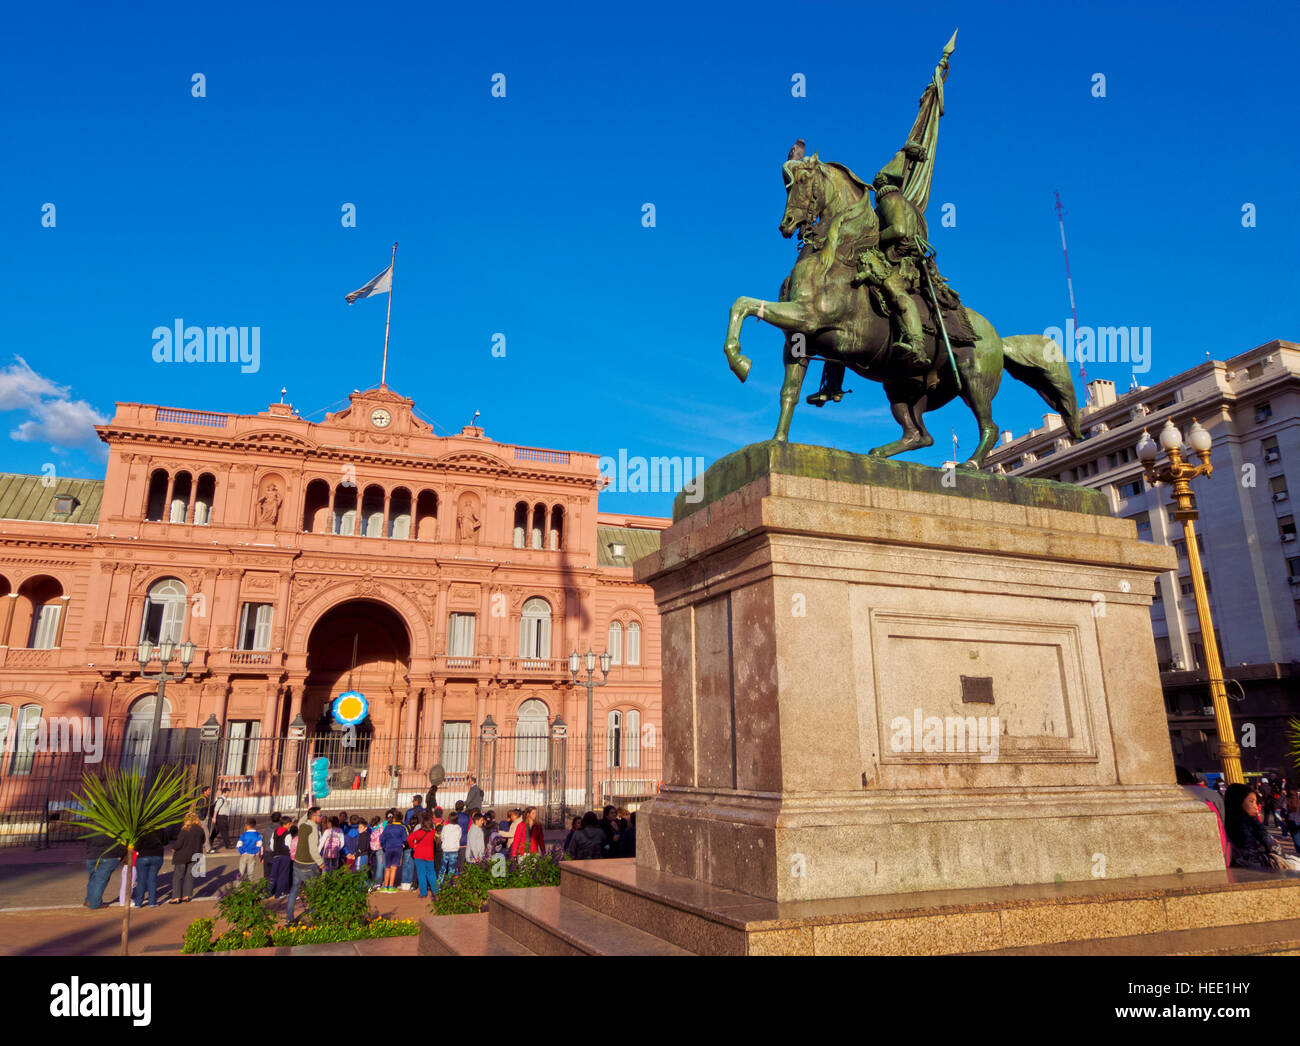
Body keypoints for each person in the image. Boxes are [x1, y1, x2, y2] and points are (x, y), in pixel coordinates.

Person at [1225, 783, 1294, 871]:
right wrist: (1275, 844)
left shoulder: (1228, 821)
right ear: (1238, 801)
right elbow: (1270, 845)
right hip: (1261, 867)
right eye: (1251, 801)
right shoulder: (1251, 821)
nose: (1256, 807)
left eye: (1256, 802)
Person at [286, 807, 325, 924]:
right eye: (319, 815)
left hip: (297, 863)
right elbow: (313, 850)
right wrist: (321, 863)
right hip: (308, 864)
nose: (321, 817)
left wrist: (308, 811)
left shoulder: (302, 825)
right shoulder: (313, 829)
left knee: (294, 890)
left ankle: (289, 918)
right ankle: (315, 916)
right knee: (313, 891)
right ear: (313, 817)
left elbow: (303, 819)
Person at [169, 810, 206, 904]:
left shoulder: (185, 830)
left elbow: (179, 844)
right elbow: (203, 841)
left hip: (182, 855)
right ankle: (187, 895)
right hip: (195, 854)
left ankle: (176, 897)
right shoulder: (200, 830)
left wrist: (174, 848)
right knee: (189, 875)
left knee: (178, 876)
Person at [83, 829, 124, 909]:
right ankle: (95, 903)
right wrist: (120, 855)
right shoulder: (113, 828)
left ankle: (89, 900)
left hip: (92, 856)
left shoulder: (92, 827)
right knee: (100, 881)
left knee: (93, 878)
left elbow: (87, 842)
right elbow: (121, 844)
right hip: (109, 856)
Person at [408, 813, 440, 897]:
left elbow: (409, 839)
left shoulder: (418, 832)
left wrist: (413, 846)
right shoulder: (432, 832)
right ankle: (435, 891)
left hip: (418, 855)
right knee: (431, 873)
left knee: (421, 874)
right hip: (429, 856)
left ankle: (423, 893)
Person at [132, 829, 167, 908]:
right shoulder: (160, 830)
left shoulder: (142, 831)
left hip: (143, 856)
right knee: (152, 880)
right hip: (157, 856)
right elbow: (166, 842)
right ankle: (152, 902)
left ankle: (138, 903)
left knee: (141, 881)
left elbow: (137, 847)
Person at [380, 814, 407, 893]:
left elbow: (382, 838)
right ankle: (391, 886)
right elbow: (405, 839)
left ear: (394, 819)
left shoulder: (388, 827)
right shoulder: (402, 828)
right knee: (394, 868)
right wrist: (403, 843)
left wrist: (384, 846)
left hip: (388, 848)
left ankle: (385, 886)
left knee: (387, 868)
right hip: (398, 848)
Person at [270, 815, 293, 897]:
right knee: (283, 874)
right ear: (287, 824)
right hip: (285, 856)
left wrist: (275, 851)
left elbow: (271, 845)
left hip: (276, 855)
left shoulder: (275, 832)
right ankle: (280, 893)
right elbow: (289, 846)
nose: (290, 826)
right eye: (290, 824)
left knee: (274, 874)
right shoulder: (287, 834)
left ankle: (271, 891)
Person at [438, 811, 461, 881]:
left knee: (443, 868)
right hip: (454, 850)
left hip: (445, 849)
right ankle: (449, 885)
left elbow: (442, 837)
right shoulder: (458, 828)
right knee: (452, 869)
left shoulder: (445, 827)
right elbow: (459, 838)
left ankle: (438, 885)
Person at [209, 787, 233, 851]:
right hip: (221, 817)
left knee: (216, 831)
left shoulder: (224, 800)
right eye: (228, 793)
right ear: (224, 792)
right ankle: (228, 845)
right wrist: (214, 817)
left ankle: (209, 841)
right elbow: (216, 809)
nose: (229, 794)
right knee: (224, 831)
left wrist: (227, 804)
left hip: (223, 817)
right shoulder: (221, 799)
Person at [260, 813, 281, 881]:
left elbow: (263, 841)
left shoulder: (267, 828)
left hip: (267, 852)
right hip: (276, 852)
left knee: (267, 874)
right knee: (276, 873)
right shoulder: (281, 829)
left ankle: (266, 888)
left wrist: (262, 854)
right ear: (280, 818)